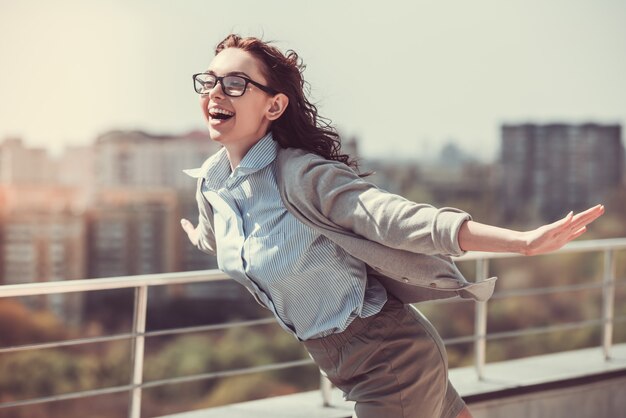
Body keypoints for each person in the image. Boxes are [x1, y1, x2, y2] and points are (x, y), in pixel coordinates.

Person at [180, 34, 605, 418]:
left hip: (389, 357)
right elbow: (222, 237)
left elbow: (395, 219)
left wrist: (522, 243)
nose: (217, 93)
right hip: (344, 364)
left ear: (274, 105)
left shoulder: (301, 177)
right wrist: (199, 237)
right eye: (210, 81)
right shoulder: (213, 185)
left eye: (235, 83)